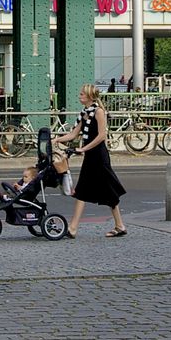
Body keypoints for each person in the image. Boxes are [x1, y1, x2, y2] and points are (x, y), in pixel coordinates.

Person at [54, 84, 127, 239]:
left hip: (99, 156)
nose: (79, 96)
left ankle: (117, 226)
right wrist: (57, 139)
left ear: (90, 96)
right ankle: (74, 228)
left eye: (82, 94)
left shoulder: (99, 112)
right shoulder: (85, 112)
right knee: (84, 190)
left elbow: (101, 136)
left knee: (102, 190)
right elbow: (73, 134)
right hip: (91, 156)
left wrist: (83, 148)